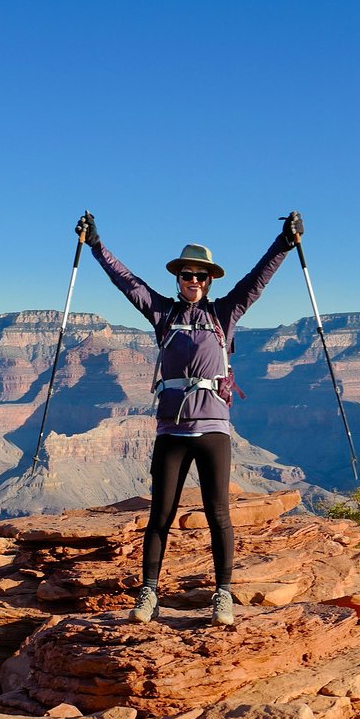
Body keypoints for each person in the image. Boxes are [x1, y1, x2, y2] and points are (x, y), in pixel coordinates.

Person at [75, 210, 303, 626]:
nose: (192, 281)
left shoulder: (225, 314)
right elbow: (128, 283)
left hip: (213, 430)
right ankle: (148, 593)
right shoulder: (163, 314)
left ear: (209, 280)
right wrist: (96, 246)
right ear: (177, 279)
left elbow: (258, 279)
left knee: (219, 514)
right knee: (161, 513)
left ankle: (223, 595)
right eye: (186, 275)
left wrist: (284, 243)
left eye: (199, 276)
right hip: (171, 432)